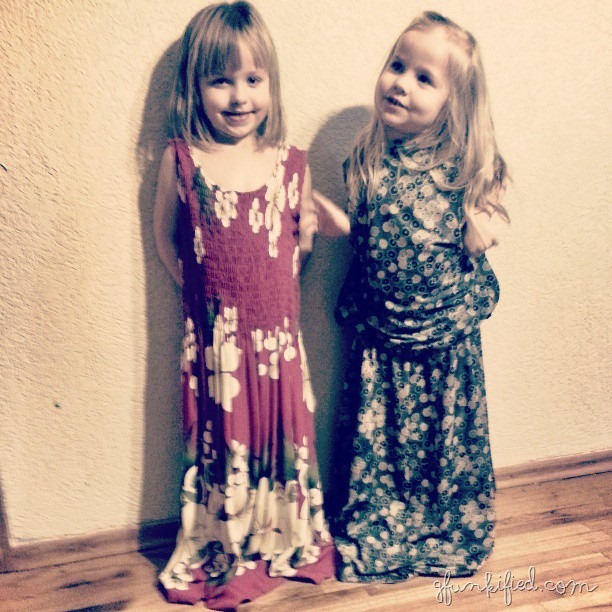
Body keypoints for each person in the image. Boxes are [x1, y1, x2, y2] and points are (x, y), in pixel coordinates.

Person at [153, 2, 348, 607]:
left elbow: (302, 245)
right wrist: (201, 299)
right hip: (215, 351)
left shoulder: (291, 164)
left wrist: (274, 303)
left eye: (252, 79)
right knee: (224, 447)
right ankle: (226, 540)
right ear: (196, 87)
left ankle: (282, 534)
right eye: (221, 80)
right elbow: (165, 238)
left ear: (270, 84)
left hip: (277, 346)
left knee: (282, 439)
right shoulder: (181, 160)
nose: (239, 96)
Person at [313, 10, 509, 583]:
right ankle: (382, 522)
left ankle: (439, 524)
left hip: (445, 336)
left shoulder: (467, 167)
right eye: (397, 66)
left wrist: (483, 227)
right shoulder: (365, 159)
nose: (401, 83)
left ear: (453, 103)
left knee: (442, 441)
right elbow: (366, 230)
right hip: (381, 336)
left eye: (425, 78)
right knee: (381, 440)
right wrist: (335, 223)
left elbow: (491, 213)